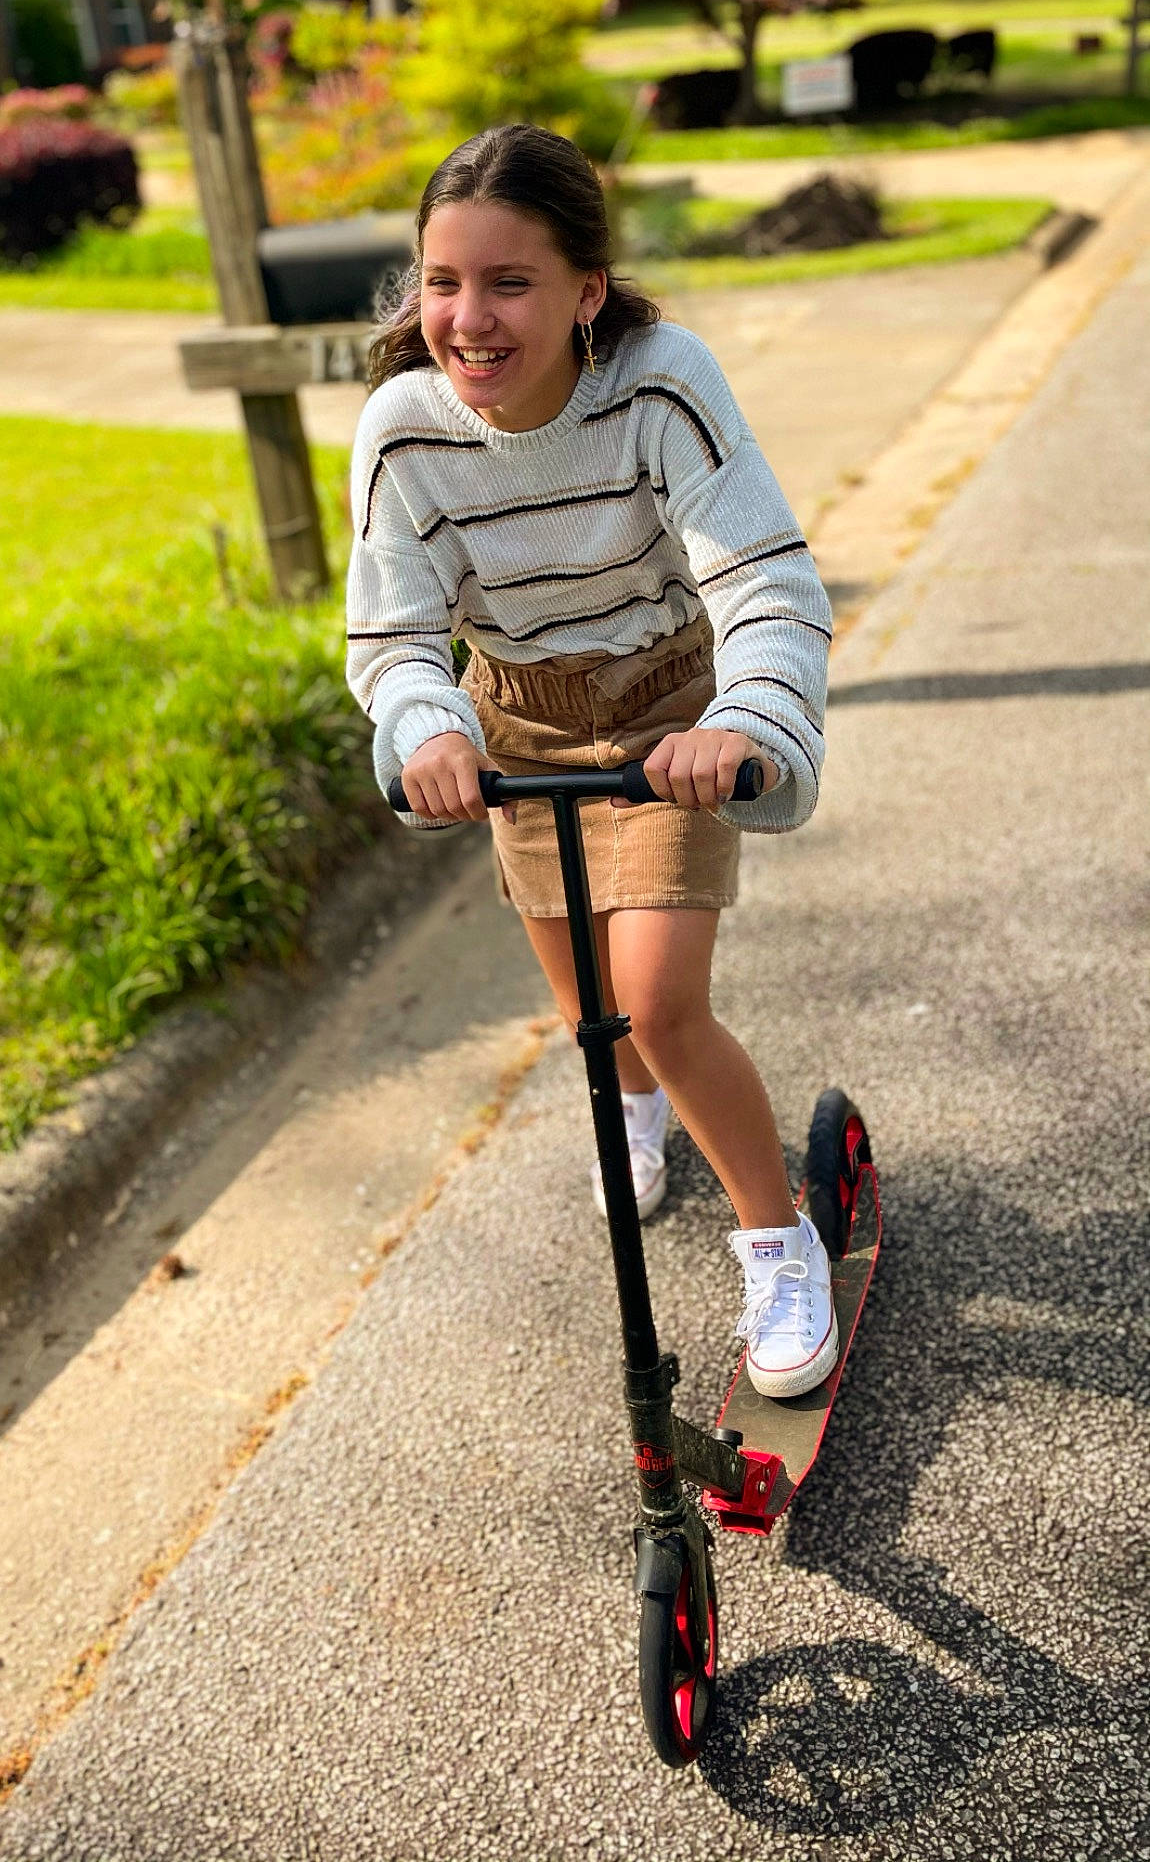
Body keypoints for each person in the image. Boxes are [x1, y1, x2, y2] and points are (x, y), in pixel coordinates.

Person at [345, 124, 836, 1401]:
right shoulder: (402, 430)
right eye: (443, 282)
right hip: (517, 720)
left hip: (671, 711)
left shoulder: (659, 383)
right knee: (592, 1018)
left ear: (586, 289)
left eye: (511, 282)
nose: (469, 317)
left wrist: (750, 721)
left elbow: (765, 574)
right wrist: (427, 724)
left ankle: (780, 1237)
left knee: (661, 1002)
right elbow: (392, 632)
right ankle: (633, 1109)